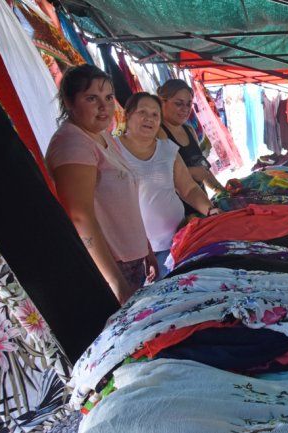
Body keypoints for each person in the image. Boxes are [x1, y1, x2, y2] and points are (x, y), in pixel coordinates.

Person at [46, 65, 156, 304]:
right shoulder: (72, 145)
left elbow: (124, 202)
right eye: (91, 98)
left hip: (130, 259)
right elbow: (79, 217)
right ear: (68, 101)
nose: (104, 106)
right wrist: (115, 282)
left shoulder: (103, 136)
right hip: (110, 266)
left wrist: (145, 248)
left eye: (108, 97)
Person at [118, 92, 220, 279]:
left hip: (177, 241)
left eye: (155, 114)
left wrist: (210, 210)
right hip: (133, 252)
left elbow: (188, 189)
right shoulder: (112, 150)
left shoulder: (167, 149)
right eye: (143, 112)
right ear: (127, 115)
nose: (149, 119)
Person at [157, 79, 226, 212]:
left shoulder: (190, 131)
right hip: (177, 212)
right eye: (178, 104)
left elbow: (202, 170)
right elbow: (156, 177)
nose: (185, 109)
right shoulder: (159, 134)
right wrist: (191, 172)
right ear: (162, 102)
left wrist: (222, 190)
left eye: (189, 104)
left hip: (201, 205)